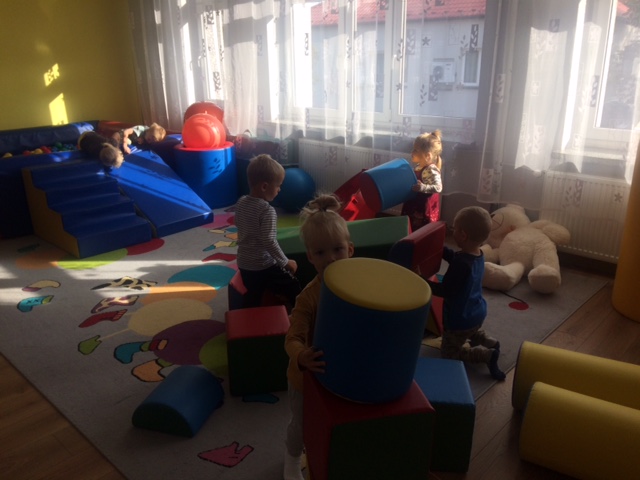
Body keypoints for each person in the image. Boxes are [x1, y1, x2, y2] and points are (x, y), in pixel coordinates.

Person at [283, 193, 355, 480]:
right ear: (310, 257)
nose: (331, 258)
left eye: (337, 249)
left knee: (337, 417)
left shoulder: (357, 286)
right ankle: (291, 459)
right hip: (305, 377)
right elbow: (291, 338)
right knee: (302, 423)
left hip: (340, 371)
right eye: (321, 253)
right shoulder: (308, 297)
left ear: (350, 250)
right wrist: (301, 356)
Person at [427, 206, 506, 381]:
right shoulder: (477, 254)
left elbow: (445, 290)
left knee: (449, 353)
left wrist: (421, 281)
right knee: (469, 331)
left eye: (454, 229)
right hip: (477, 313)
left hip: (459, 320)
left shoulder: (461, 265)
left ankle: (486, 355)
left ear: (463, 235)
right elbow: (455, 258)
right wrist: (439, 247)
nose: (452, 232)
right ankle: (488, 340)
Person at [235, 154, 301, 311]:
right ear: (264, 187)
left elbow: (239, 225)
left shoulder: (241, 202)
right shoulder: (267, 210)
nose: (279, 190)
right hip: (262, 266)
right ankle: (299, 313)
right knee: (294, 286)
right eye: (278, 186)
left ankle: (247, 314)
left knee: (254, 294)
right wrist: (285, 262)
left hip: (244, 265)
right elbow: (269, 241)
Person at [401, 129, 443, 232]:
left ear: (427, 156)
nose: (412, 152)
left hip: (422, 208)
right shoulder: (419, 166)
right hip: (415, 203)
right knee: (410, 227)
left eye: (415, 150)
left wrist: (423, 187)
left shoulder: (431, 169)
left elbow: (438, 187)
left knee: (420, 231)